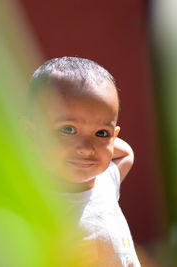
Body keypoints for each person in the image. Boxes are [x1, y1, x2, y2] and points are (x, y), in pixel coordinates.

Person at [25, 56, 141, 267]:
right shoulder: (38, 207)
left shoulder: (105, 182)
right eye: (68, 129)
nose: (86, 148)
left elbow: (126, 154)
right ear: (32, 133)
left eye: (101, 133)